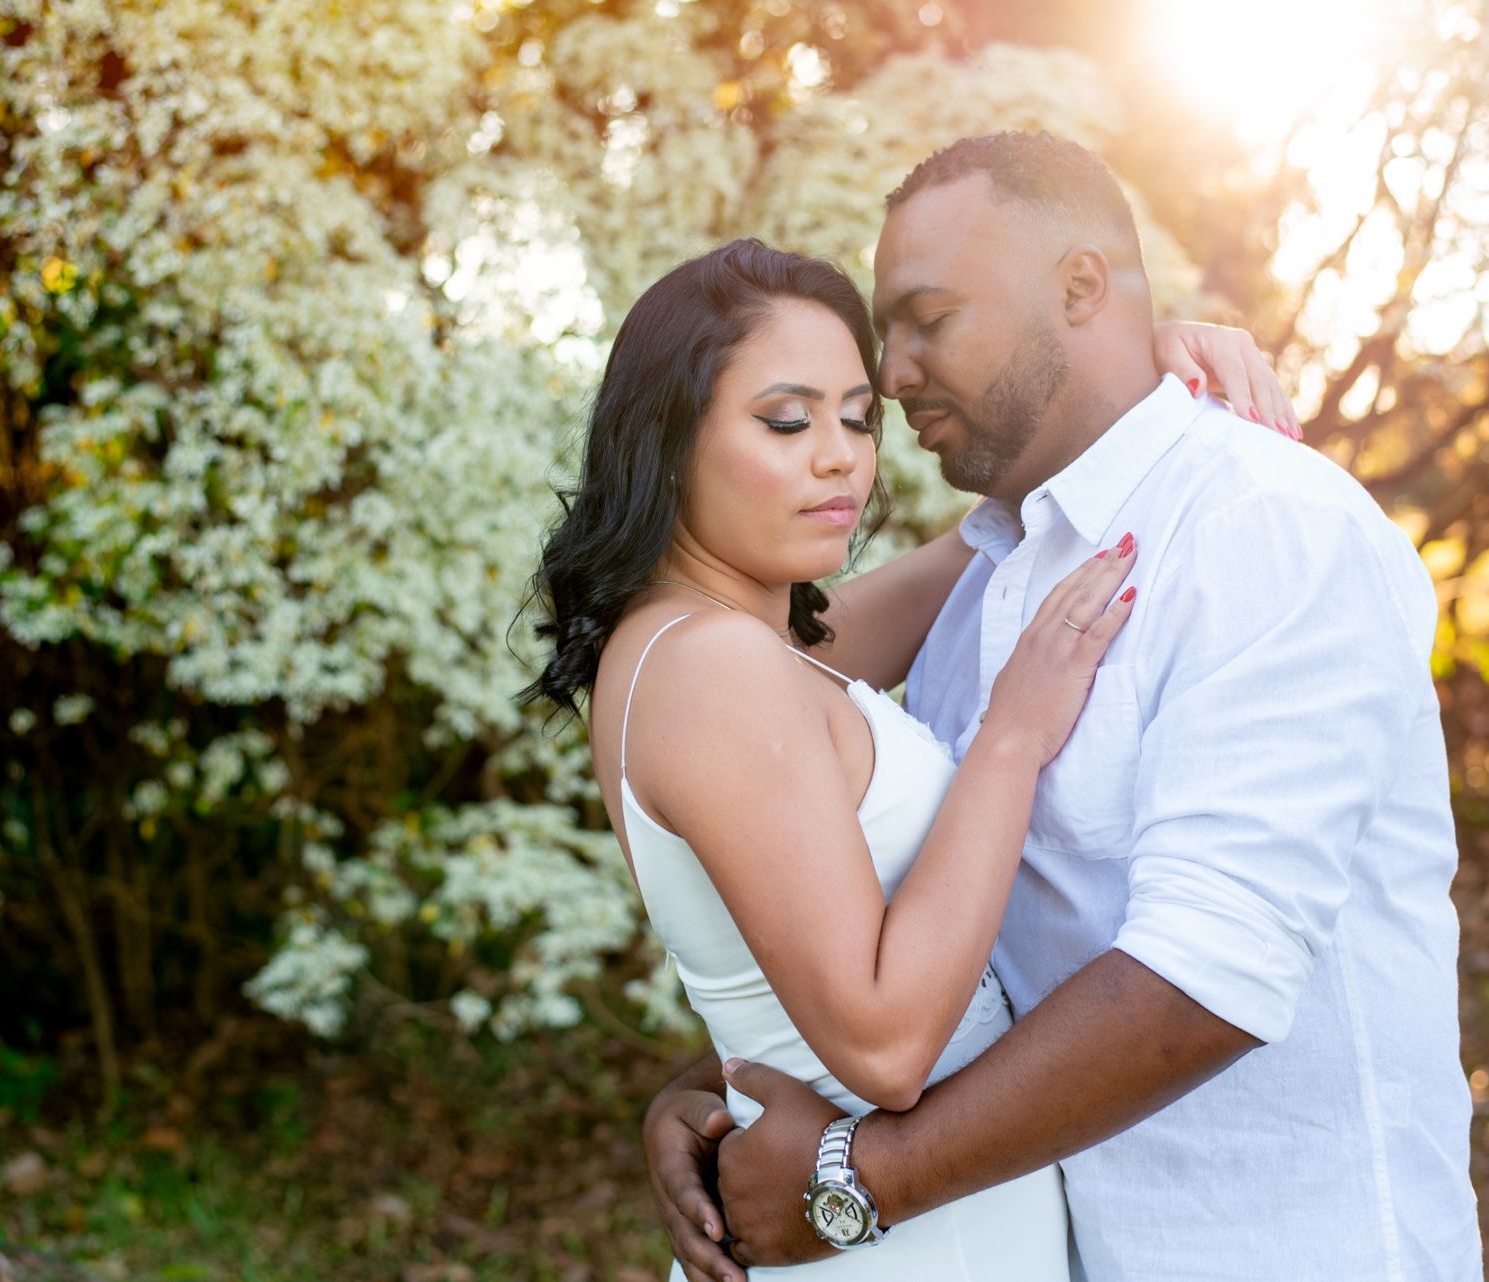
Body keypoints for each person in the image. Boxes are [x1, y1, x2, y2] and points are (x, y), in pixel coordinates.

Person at [643, 132, 1483, 1282]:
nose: (895, 375)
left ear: (1082, 286)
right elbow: (957, 943)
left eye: (929, 318)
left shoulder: (1264, 526)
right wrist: (719, 1099)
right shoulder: (990, 577)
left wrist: (855, 1179)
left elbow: (1209, 979)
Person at [523, 226, 1294, 1277]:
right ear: (665, 439)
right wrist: (1012, 738)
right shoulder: (712, 669)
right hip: (890, 1240)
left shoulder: (726, 649)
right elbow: (886, 1047)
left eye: (856, 417)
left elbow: (993, 536)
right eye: (785, 420)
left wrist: (1133, 373)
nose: (839, 453)